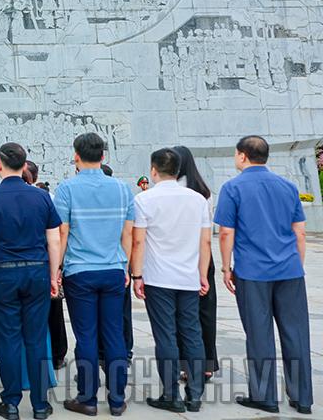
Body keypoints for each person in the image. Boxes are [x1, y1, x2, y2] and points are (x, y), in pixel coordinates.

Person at [214, 136, 312, 414]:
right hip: (290, 270)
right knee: (296, 334)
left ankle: (265, 395)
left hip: (252, 272)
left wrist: (225, 267)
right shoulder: (288, 187)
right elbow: (300, 231)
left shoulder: (233, 188)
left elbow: (226, 232)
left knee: (259, 334)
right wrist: (296, 264)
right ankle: (302, 398)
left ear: (243, 156)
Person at [0, 145, 61, 420]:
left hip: (3, 272)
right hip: (36, 271)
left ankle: (11, 402)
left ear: (0, 165)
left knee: (8, 338)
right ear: (25, 165)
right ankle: (39, 405)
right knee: (36, 338)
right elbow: (54, 240)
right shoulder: (42, 197)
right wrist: (53, 276)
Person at [54, 133, 133, 417]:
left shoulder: (66, 189)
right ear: (103, 156)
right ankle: (117, 399)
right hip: (113, 270)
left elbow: (62, 233)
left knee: (86, 336)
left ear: (76, 155)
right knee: (114, 335)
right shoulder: (123, 189)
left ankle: (87, 398)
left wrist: (56, 270)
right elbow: (128, 233)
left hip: (80, 272)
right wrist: (126, 267)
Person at [130, 148, 210, 413]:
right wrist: (202, 273)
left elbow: (139, 241)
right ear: (177, 171)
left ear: (154, 171)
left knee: (165, 335)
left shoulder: (145, 200)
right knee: (192, 333)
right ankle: (195, 395)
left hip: (158, 278)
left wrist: (137, 274)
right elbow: (205, 241)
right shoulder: (198, 199)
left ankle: (171, 394)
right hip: (188, 277)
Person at [172, 144, 218, 377]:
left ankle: (186, 365)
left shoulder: (170, 192)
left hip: (178, 257)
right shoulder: (205, 192)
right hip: (202, 257)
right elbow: (206, 236)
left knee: (181, 314)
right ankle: (208, 365)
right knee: (206, 312)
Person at [25, 161, 67, 370]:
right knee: (51, 310)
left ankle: (56, 354)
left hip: (34, 261)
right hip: (44, 261)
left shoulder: (47, 198)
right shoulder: (47, 198)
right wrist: (56, 268)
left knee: (50, 312)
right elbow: (57, 236)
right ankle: (56, 355)